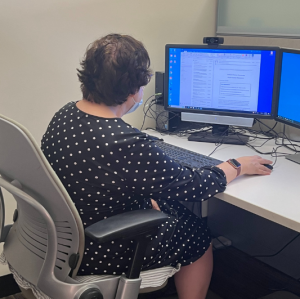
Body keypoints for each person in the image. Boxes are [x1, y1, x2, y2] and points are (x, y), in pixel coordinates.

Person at [41, 33, 273, 299]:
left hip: (66, 235)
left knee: (169, 207)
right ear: (132, 90)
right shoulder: (122, 140)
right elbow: (196, 187)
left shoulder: (66, 115)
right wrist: (237, 165)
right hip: (99, 246)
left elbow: (91, 175)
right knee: (196, 233)